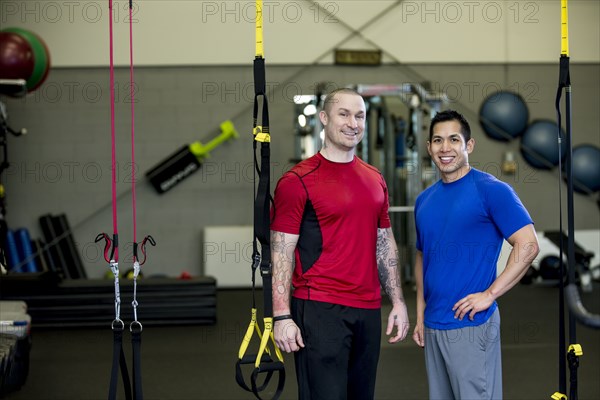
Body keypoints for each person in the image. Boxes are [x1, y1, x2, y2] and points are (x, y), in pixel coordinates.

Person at [270, 87, 409, 400]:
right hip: (320, 307)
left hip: (368, 309)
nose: (353, 123)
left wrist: (398, 301)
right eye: (343, 114)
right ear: (324, 118)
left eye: (359, 115)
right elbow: (281, 251)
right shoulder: (297, 180)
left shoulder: (375, 178)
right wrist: (281, 316)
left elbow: (384, 243)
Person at [412, 109, 540, 399]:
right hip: (434, 323)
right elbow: (422, 256)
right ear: (429, 147)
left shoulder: (492, 190)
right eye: (437, 140)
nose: (445, 148)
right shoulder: (424, 200)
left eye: (453, 139)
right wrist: (420, 313)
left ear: (468, 146)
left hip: (472, 323)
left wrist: (491, 294)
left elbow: (528, 244)